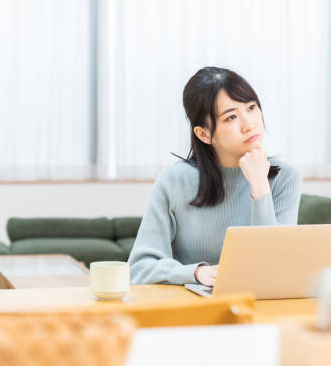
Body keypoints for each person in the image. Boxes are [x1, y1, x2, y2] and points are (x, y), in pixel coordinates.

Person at [128, 66, 302, 286]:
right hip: (192, 306)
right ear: (204, 134)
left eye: (251, 107)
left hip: (262, 304)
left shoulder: (286, 177)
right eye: (231, 117)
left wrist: (260, 189)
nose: (250, 124)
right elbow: (139, 268)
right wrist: (195, 273)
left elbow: (276, 264)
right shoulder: (174, 181)